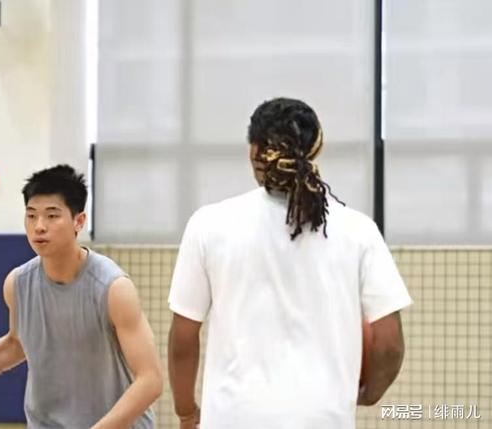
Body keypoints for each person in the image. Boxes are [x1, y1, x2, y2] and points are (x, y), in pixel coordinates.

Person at [167, 98, 412, 429]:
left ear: (254, 151)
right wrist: (369, 393)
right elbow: (389, 342)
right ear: (315, 150)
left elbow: (184, 337)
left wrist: (186, 412)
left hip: (233, 417)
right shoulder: (359, 230)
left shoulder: (208, 224)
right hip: (324, 420)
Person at [0, 165, 162, 429]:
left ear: (79, 221)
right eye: (31, 216)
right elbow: (16, 344)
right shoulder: (17, 283)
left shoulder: (113, 288)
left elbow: (150, 380)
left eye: (52, 216)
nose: (39, 227)